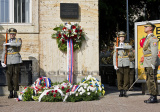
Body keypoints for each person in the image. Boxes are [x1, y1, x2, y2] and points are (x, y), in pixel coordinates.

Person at [1, 28, 22, 98]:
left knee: (15, 76)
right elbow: (4, 51)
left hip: (16, 60)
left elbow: (18, 45)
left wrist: (10, 43)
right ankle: (10, 92)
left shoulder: (18, 40)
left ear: (15, 34)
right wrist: (2, 61)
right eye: (10, 34)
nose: (12, 35)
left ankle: (15, 91)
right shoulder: (6, 41)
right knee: (9, 76)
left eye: (13, 34)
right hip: (9, 60)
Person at [143, 22, 159, 103]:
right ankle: (152, 95)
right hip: (147, 61)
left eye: (146, 26)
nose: (144, 27)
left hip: (151, 62)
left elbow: (154, 52)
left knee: (152, 79)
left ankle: (154, 96)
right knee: (149, 79)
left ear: (150, 28)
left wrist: (153, 63)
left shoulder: (153, 38)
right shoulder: (148, 38)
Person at [113, 31, 132, 97]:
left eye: (123, 37)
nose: (122, 38)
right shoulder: (116, 45)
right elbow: (114, 55)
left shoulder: (126, 44)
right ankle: (120, 90)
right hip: (119, 63)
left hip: (126, 62)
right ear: (119, 38)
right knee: (119, 78)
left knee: (126, 78)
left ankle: (125, 91)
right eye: (120, 37)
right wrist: (115, 64)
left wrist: (122, 47)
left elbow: (130, 47)